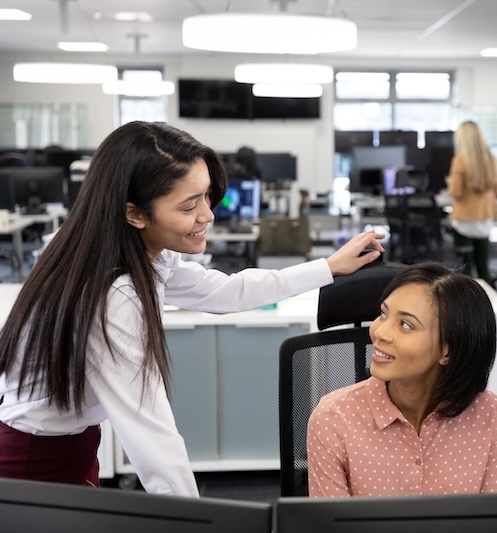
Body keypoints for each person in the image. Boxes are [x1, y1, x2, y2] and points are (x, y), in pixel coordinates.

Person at [0, 121, 384, 497]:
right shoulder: (114, 294)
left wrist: (328, 267)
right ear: (134, 213)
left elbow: (227, 291)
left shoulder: (125, 253)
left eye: (206, 196)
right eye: (189, 206)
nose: (208, 215)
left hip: (69, 448)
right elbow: (151, 435)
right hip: (36, 462)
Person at [307, 262, 497, 497]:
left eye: (405, 325)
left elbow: (492, 520)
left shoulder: (487, 412)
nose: (379, 332)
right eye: (383, 313)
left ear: (448, 350)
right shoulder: (333, 419)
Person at [446, 120, 497, 285]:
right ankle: (490, 305)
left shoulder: (460, 160)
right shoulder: (492, 159)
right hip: (485, 220)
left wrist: (450, 183)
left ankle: (468, 306)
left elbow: (455, 193)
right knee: (483, 267)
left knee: (466, 270)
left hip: (464, 221)